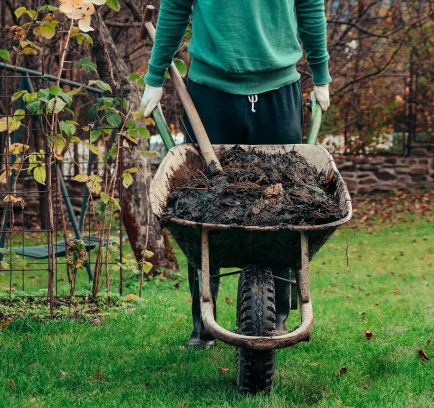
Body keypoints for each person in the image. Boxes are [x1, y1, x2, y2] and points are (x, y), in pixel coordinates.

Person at [141, 0, 331, 347]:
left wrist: (321, 74)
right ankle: (203, 324)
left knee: (284, 204)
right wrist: (155, 76)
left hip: (279, 91)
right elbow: (175, 6)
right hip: (211, 93)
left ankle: (278, 317)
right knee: (200, 207)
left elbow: (309, 6)